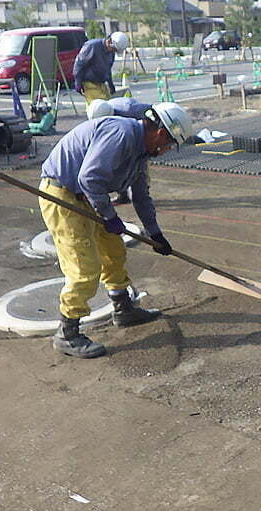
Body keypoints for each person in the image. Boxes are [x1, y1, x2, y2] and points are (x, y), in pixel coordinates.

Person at [39, 102, 193, 359]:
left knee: (113, 249)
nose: (166, 150)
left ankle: (122, 308)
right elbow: (89, 178)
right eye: (169, 144)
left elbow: (141, 195)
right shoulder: (120, 133)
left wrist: (154, 234)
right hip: (61, 194)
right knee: (83, 267)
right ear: (160, 133)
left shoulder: (141, 152)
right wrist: (109, 216)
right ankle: (67, 332)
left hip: (87, 196)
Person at [87, 97, 154, 205]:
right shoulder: (97, 112)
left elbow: (153, 111)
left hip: (140, 137)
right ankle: (123, 195)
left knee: (139, 169)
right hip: (121, 138)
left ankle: (143, 195)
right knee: (117, 166)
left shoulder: (130, 109)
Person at [73, 31, 129, 106]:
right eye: (114, 49)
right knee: (100, 107)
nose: (114, 52)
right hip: (89, 83)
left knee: (109, 105)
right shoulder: (92, 46)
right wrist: (78, 83)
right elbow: (79, 64)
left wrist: (110, 84)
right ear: (109, 41)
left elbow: (108, 69)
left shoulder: (111, 52)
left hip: (101, 83)